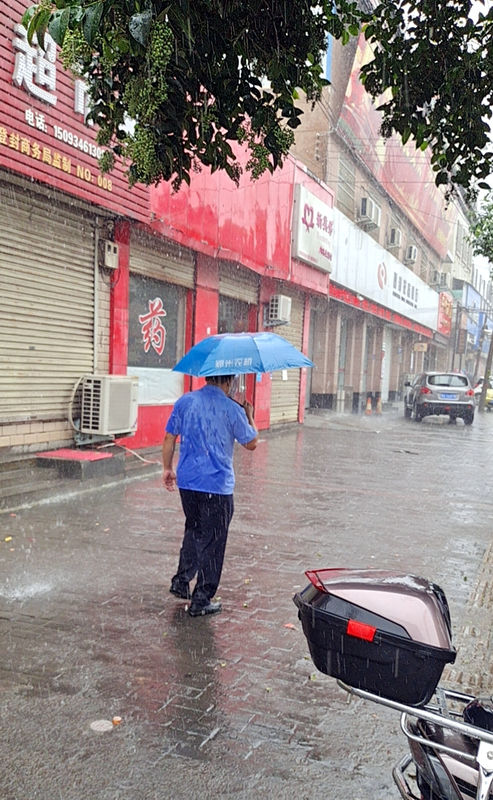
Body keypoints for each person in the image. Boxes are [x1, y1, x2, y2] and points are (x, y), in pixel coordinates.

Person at [162, 374, 258, 617]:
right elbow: (252, 442)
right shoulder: (232, 408)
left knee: (194, 529)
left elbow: (169, 437)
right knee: (214, 541)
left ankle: (181, 581)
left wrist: (167, 468)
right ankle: (201, 599)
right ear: (229, 382)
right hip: (216, 487)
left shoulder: (185, 402)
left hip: (189, 482)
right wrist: (250, 416)